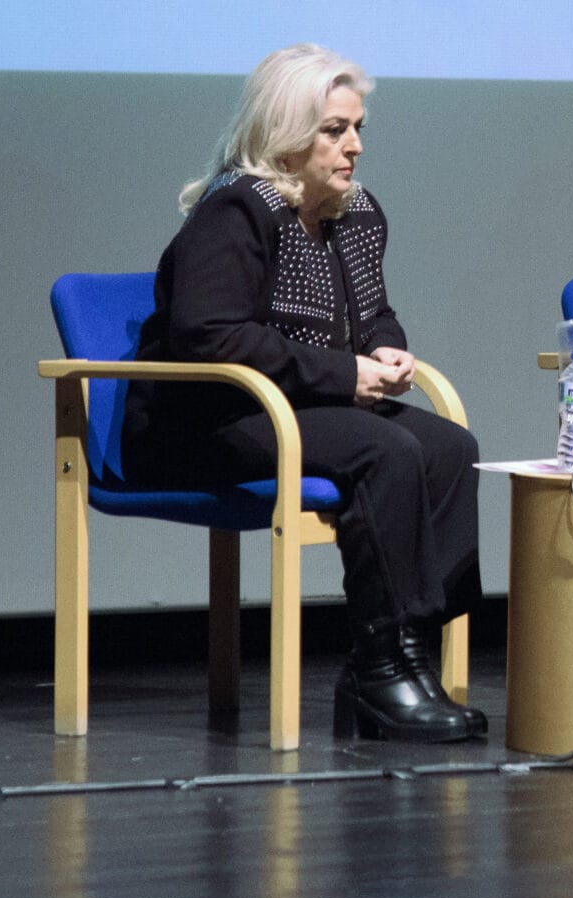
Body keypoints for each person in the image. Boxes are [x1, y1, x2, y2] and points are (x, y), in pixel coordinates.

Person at [122, 45, 484, 743]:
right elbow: (212, 337)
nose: (354, 145)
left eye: (357, 128)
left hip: (295, 409)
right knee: (383, 450)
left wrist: (386, 347)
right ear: (286, 134)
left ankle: (408, 656)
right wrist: (346, 375)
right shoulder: (236, 212)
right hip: (207, 419)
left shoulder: (355, 214)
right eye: (334, 130)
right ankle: (380, 669)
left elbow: (372, 311)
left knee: (449, 447)